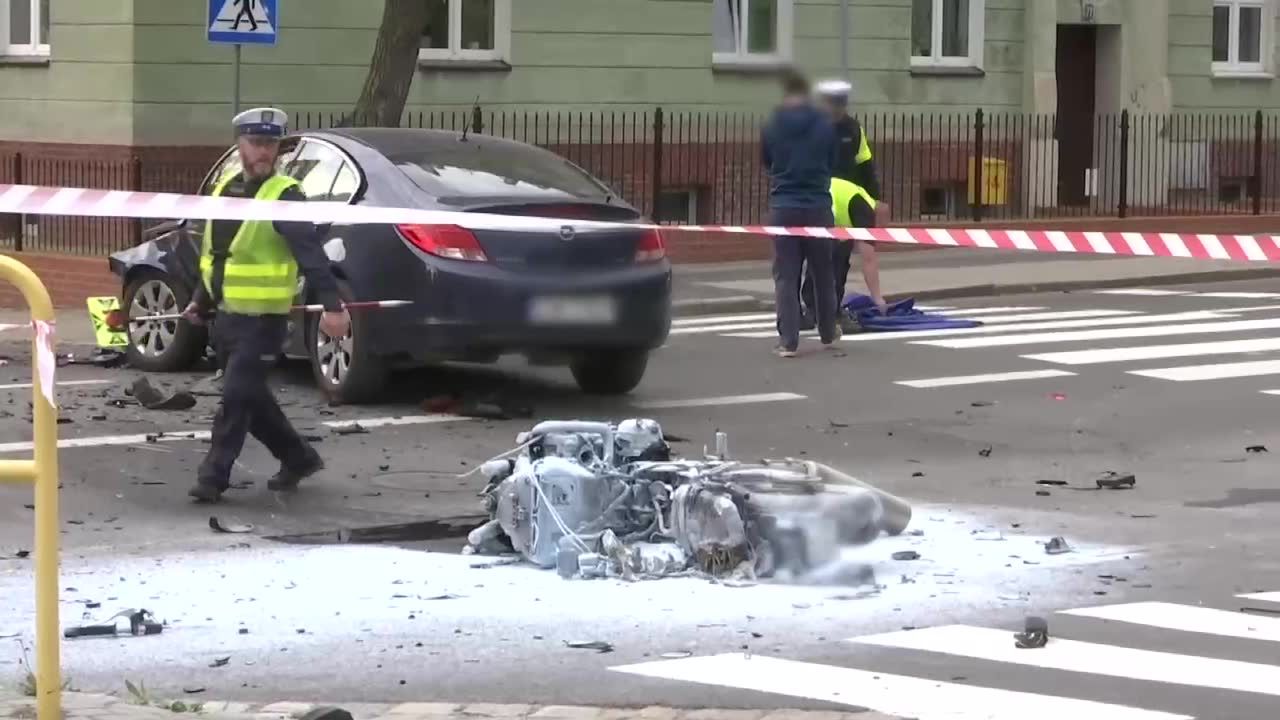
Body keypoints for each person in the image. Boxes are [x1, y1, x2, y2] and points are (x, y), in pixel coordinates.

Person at [182, 107, 350, 503]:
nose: (263, 152)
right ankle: (299, 457)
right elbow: (217, 254)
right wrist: (201, 300)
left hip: (265, 323)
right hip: (227, 319)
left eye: (270, 144)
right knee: (252, 399)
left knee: (236, 399)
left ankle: (213, 478)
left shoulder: (285, 195)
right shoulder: (225, 190)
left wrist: (333, 307)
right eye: (256, 143)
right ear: (239, 144)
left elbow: (311, 254)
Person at [761, 70, 840, 358]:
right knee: (823, 273)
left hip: (784, 206)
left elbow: (767, 162)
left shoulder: (773, 126)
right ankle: (828, 332)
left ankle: (788, 341)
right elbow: (832, 161)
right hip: (818, 205)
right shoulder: (824, 125)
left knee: (786, 276)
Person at [801, 79, 889, 331]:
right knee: (819, 256)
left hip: (847, 200)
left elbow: (865, 165)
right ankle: (814, 308)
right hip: (820, 197)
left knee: (839, 259)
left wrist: (875, 197)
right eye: (834, 103)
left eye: (842, 104)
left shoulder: (853, 129)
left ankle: (829, 309)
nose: (838, 109)